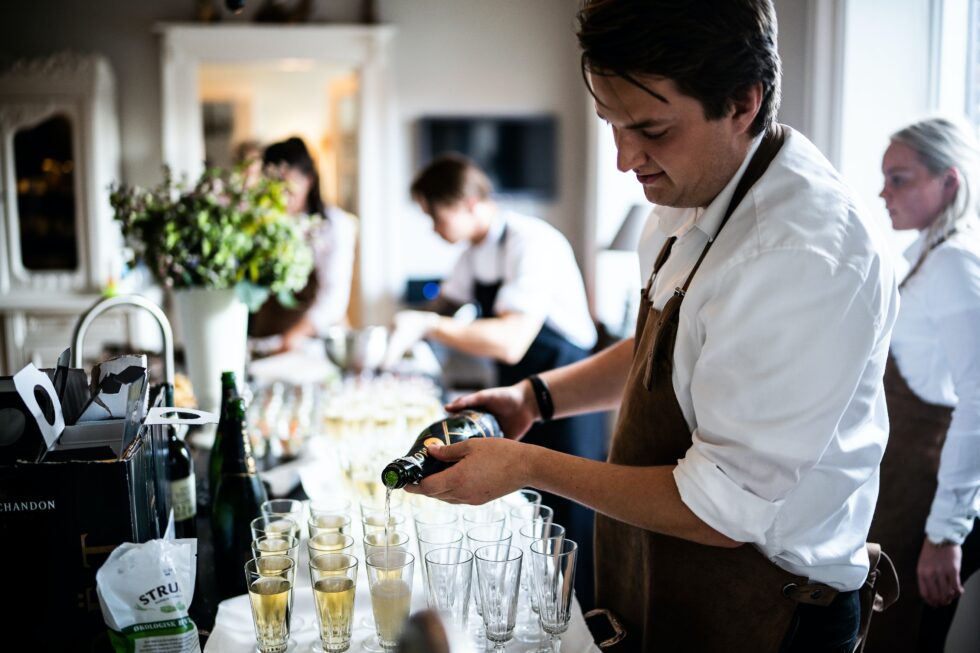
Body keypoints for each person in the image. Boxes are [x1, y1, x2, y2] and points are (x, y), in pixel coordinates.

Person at [402, 1, 901, 651]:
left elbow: (721, 509)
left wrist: (523, 464)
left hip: (770, 613)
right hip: (667, 576)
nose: (623, 159)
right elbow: (660, 350)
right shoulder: (692, 196)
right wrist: (535, 397)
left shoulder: (804, 255)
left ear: (743, 103)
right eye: (611, 124)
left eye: (653, 130)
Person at [387, 153, 606, 608]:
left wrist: (424, 327)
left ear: (467, 203)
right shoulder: (474, 254)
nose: (431, 227)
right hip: (518, 394)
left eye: (434, 213)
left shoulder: (532, 242)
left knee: (568, 519)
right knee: (524, 509)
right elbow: (442, 307)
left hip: (567, 391)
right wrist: (402, 324)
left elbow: (510, 341)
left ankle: (584, 617)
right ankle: (539, 607)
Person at [864, 117, 980, 652]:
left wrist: (945, 533)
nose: (883, 191)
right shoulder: (924, 259)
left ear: (949, 182)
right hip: (895, 479)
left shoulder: (956, 263)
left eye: (900, 178)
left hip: (922, 489)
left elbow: (977, 400)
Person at [248, 136, 357, 350]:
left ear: (308, 179)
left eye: (286, 185)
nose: (279, 193)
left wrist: (293, 337)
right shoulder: (258, 224)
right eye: (271, 184)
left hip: (316, 341)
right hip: (265, 338)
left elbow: (333, 299)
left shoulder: (334, 225)